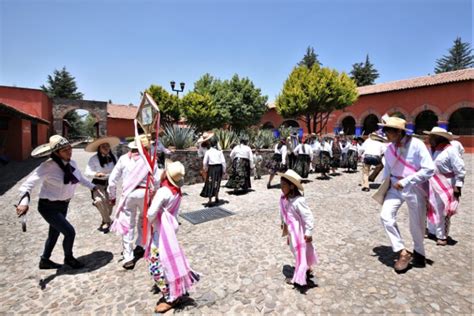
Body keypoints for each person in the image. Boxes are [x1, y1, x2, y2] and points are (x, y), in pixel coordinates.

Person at [16, 135, 97, 269]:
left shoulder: (72, 164)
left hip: (64, 205)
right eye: (64, 150)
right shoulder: (47, 166)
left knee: (54, 233)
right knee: (70, 232)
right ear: (56, 153)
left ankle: (45, 260)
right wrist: (24, 202)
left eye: (69, 148)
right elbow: (28, 184)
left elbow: (80, 178)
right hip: (48, 207)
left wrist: (93, 187)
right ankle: (69, 258)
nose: (69, 151)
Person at [378, 117, 434, 272]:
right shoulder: (389, 149)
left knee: (416, 223)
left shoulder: (417, 145)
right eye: (385, 130)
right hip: (394, 188)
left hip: (414, 187)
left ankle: (419, 253)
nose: (386, 134)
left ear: (399, 132)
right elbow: (387, 170)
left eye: (389, 131)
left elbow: (429, 169)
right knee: (385, 217)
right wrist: (384, 188)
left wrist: (407, 181)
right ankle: (402, 251)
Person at [146, 160, 200, 313]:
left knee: (156, 265)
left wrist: (148, 221)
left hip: (162, 231)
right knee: (169, 259)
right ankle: (175, 289)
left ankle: (170, 296)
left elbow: (151, 213)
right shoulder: (176, 189)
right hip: (171, 227)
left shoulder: (164, 191)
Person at [108, 134, 161, 270]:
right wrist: (154, 193)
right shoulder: (150, 160)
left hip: (129, 195)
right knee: (143, 220)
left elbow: (112, 180)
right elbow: (156, 180)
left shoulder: (123, 159)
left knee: (128, 224)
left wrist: (112, 197)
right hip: (145, 194)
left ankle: (128, 257)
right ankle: (140, 245)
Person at [424, 127, 465, 246]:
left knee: (443, 210)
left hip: (446, 183)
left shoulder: (450, 150)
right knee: (432, 206)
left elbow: (460, 169)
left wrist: (458, 185)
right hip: (433, 182)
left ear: (438, 138)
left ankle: (442, 235)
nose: (429, 139)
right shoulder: (433, 149)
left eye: (431, 137)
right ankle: (432, 231)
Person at [278, 169, 318, 286]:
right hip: (291, 231)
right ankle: (306, 269)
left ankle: (298, 278)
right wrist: (282, 223)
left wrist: (309, 231)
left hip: (299, 232)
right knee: (296, 251)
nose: (281, 187)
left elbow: (308, 216)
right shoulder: (285, 198)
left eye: (283, 185)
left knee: (298, 253)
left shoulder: (298, 201)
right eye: (280, 185)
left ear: (291, 186)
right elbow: (283, 211)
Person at [84, 136, 120, 233]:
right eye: (103, 146)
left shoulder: (114, 157)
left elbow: (119, 170)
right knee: (100, 201)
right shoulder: (93, 159)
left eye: (107, 146)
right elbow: (87, 172)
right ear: (99, 148)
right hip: (98, 183)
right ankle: (107, 222)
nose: (106, 148)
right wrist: (96, 174)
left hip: (110, 183)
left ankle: (105, 219)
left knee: (109, 205)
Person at [200, 137, 226, 206]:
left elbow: (205, 162)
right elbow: (223, 162)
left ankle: (210, 200)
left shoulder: (208, 152)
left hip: (211, 168)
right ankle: (217, 197)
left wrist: (205, 169)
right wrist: (224, 170)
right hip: (218, 168)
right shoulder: (219, 152)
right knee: (217, 183)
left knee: (210, 183)